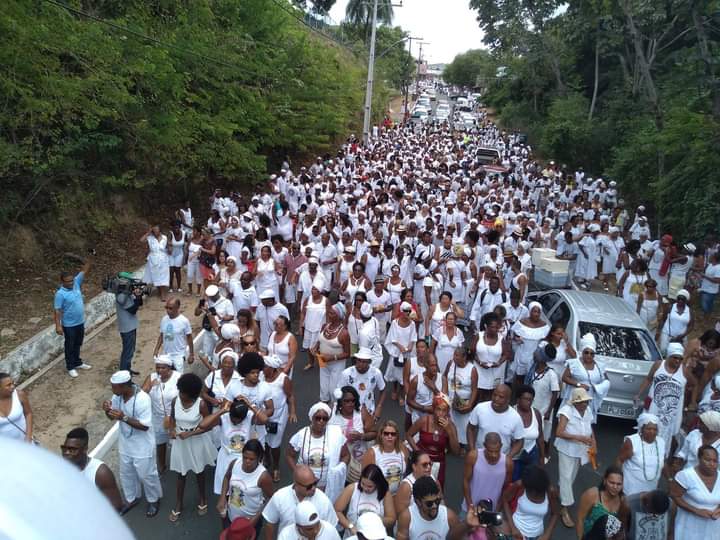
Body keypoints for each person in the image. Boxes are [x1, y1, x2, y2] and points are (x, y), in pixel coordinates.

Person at [102, 370, 162, 517]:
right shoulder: (117, 397)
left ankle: (154, 499)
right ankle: (132, 498)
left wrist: (124, 418)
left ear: (124, 386)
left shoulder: (142, 399)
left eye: (114, 387)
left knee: (146, 475)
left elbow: (145, 426)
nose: (112, 390)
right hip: (126, 444)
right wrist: (107, 411)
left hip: (142, 446)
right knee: (126, 474)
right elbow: (112, 418)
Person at [167, 373, 217, 522]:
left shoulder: (201, 404)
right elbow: (172, 418)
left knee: (199, 472)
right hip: (180, 443)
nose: (181, 395)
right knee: (180, 474)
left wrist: (190, 434)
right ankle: (179, 503)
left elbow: (210, 425)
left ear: (193, 394)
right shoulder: (175, 400)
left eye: (184, 393)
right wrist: (171, 430)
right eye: (181, 391)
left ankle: (202, 499)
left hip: (196, 442)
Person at [634, 342, 693, 457]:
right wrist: (638, 394)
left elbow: (694, 384)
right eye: (675, 357)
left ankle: (659, 458)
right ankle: (641, 454)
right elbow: (648, 379)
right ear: (668, 356)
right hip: (653, 407)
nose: (677, 361)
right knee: (648, 428)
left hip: (671, 412)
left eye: (680, 359)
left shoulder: (684, 370)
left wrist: (691, 401)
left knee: (665, 434)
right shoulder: (658, 365)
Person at [287, 402, 350, 498]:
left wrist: (339, 469)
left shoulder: (336, 435)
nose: (321, 421)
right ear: (312, 418)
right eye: (317, 418)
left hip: (327, 485)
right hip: (305, 485)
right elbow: (289, 455)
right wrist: (297, 472)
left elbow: (346, 455)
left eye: (325, 419)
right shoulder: (301, 435)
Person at [555, 387, 596, 528]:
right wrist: (578, 437)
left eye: (586, 401)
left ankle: (560, 495)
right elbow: (559, 432)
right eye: (582, 402)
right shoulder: (566, 411)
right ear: (575, 402)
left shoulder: (588, 411)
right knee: (566, 477)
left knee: (570, 477)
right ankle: (564, 509)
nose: (585, 404)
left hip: (580, 450)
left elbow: (591, 429)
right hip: (566, 449)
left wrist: (593, 445)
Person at [262, 465, 339, 540]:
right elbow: (270, 524)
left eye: (315, 483)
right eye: (309, 486)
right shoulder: (280, 497)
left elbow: (331, 528)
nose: (313, 488)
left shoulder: (323, 500)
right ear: (296, 484)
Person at [396, 476, 479, 540]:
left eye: (437, 501)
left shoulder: (449, 516)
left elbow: (455, 538)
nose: (434, 506)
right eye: (429, 503)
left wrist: (466, 525)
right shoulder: (406, 517)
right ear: (418, 502)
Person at [61, 427, 123, 511]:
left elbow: (116, 506)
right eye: (64, 448)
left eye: (72, 450)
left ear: (85, 449)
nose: (66, 453)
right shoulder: (64, 467)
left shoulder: (101, 474)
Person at [217, 439, 274, 530]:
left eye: (251, 459)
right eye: (245, 457)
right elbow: (227, 477)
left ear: (259, 458)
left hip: (250, 520)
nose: (247, 461)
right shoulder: (235, 463)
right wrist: (222, 497)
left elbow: (271, 498)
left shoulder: (263, 476)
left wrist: (256, 518)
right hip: (231, 516)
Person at [406, 393, 460, 488]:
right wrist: (417, 451)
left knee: (435, 489)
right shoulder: (424, 420)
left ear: (448, 412)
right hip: (421, 460)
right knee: (416, 487)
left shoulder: (450, 426)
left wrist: (449, 432)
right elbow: (409, 435)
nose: (441, 413)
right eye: (438, 409)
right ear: (433, 409)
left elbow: (456, 451)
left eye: (444, 410)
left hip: (439, 463)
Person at [53, 254, 93, 378]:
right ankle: (70, 366)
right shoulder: (60, 294)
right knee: (69, 345)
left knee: (78, 343)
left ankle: (77, 362)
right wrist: (58, 326)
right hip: (69, 324)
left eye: (71, 280)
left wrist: (90, 256)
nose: (71, 283)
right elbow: (57, 311)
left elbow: (85, 269)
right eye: (67, 281)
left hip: (80, 321)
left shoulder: (76, 282)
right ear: (62, 282)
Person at [141, 355, 180, 473]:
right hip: (157, 418)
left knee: (177, 442)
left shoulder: (178, 378)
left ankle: (179, 465)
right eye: (157, 367)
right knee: (160, 443)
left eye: (163, 368)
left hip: (174, 417)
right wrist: (150, 386)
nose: (159, 370)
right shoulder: (152, 377)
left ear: (169, 368)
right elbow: (141, 395)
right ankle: (162, 465)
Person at [670, 445, 720, 537]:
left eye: (715, 461)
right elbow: (675, 496)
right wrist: (696, 511)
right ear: (699, 459)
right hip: (690, 524)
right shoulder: (686, 475)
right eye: (708, 460)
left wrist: (718, 510)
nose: (712, 464)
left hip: (713, 526)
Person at [329, 386, 376, 484]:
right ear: (340, 402)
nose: (350, 404)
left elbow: (375, 433)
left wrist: (361, 436)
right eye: (346, 401)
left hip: (358, 459)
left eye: (353, 401)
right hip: (338, 459)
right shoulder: (331, 412)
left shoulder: (361, 412)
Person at [262, 354, 298, 482]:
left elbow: (290, 396)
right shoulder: (261, 377)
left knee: (274, 445)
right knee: (264, 440)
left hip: (279, 416)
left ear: (273, 368)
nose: (262, 368)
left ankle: (276, 467)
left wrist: (292, 411)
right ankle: (266, 458)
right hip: (263, 414)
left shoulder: (283, 379)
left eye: (265, 366)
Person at [334, 464, 396, 536]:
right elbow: (336, 511)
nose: (365, 488)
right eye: (363, 484)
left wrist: (374, 520)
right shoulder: (352, 488)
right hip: (353, 535)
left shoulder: (385, 493)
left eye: (370, 486)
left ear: (378, 484)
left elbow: (391, 519)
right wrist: (350, 526)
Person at [500, 465, 560, 540]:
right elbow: (505, 499)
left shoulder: (550, 491)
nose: (532, 493)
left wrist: (547, 534)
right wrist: (513, 528)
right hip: (516, 532)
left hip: (537, 535)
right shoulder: (520, 485)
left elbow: (555, 513)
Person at [562, 333, 610, 422]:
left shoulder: (600, 366)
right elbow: (564, 378)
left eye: (592, 353)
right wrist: (578, 384)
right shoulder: (574, 363)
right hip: (575, 397)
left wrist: (598, 388)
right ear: (582, 352)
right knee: (571, 421)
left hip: (589, 399)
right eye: (586, 352)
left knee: (586, 422)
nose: (589, 355)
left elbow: (606, 380)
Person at [462, 432, 513, 516]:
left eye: (497, 451)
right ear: (484, 445)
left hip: (493, 510)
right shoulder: (473, 456)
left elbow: (506, 488)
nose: (494, 455)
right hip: (470, 508)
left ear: (501, 446)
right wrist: (470, 506)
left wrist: (497, 509)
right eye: (490, 451)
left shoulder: (508, 463)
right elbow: (465, 481)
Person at [466, 384, 524, 457]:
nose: (496, 399)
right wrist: (472, 450)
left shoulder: (516, 417)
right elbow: (470, 428)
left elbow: (520, 441)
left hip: (502, 459)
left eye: (501, 397)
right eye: (494, 395)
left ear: (508, 399)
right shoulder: (480, 408)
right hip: (479, 456)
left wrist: (508, 457)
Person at [616, 413, 666, 496]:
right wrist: (617, 481)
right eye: (648, 429)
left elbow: (664, 462)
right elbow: (620, 460)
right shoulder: (632, 441)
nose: (652, 432)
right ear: (641, 429)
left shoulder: (661, 442)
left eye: (655, 429)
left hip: (650, 490)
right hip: (630, 489)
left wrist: (670, 479)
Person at [576, 466, 630, 539]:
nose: (615, 487)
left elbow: (623, 527)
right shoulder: (592, 494)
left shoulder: (623, 501)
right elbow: (580, 519)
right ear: (605, 481)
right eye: (612, 482)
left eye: (619, 484)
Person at [313, 303, 351, 401]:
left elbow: (347, 354)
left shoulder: (344, 333)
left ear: (339, 316)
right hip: (323, 363)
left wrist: (332, 357)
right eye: (329, 312)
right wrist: (316, 347)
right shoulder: (325, 326)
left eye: (332, 313)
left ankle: (334, 410)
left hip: (337, 365)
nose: (329, 315)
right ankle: (324, 410)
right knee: (323, 389)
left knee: (334, 390)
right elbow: (320, 340)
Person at [361, 419, 408, 496]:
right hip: (378, 496)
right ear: (381, 435)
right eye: (386, 433)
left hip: (397, 495)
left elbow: (404, 474)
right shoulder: (372, 453)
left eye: (393, 434)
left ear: (396, 436)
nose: (390, 436)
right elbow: (365, 479)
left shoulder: (403, 449)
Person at [443, 348, 478, 449]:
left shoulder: (472, 369)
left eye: (457, 355)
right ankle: (449, 444)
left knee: (462, 426)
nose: (454, 357)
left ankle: (460, 445)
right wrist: (444, 394)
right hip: (449, 400)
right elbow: (444, 377)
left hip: (463, 402)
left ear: (464, 357)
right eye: (454, 355)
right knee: (449, 422)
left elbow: (475, 389)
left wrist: (470, 404)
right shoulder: (450, 364)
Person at [385, 302, 418, 406]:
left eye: (409, 311)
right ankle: (394, 390)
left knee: (405, 375)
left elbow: (413, 337)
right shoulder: (395, 323)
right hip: (397, 351)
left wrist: (410, 347)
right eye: (406, 311)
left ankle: (401, 394)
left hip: (407, 353)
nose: (408, 313)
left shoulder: (412, 324)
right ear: (401, 311)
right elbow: (392, 338)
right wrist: (400, 347)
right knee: (395, 374)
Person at [510, 302, 550, 387]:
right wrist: (516, 338)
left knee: (531, 378)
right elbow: (513, 334)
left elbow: (546, 340)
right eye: (534, 311)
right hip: (521, 353)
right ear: (530, 311)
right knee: (519, 377)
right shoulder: (522, 322)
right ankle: (517, 396)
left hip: (535, 356)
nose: (536, 314)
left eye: (538, 312)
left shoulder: (545, 326)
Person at [340, 348, 387, 419]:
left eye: (364, 362)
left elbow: (383, 389)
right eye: (359, 360)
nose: (360, 364)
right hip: (350, 410)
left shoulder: (376, 373)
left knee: (367, 429)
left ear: (369, 362)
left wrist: (379, 407)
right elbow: (340, 392)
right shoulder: (346, 373)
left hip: (369, 409)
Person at [472, 313, 509, 402]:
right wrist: (479, 362)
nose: (495, 329)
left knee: (492, 395)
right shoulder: (478, 336)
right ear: (486, 326)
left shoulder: (501, 339)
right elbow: (472, 352)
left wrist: (499, 363)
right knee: (477, 394)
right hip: (479, 371)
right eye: (492, 327)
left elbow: (506, 354)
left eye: (497, 327)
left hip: (495, 372)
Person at [394, 451, 442, 515]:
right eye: (424, 465)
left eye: (430, 464)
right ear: (414, 466)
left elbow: (441, 501)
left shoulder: (433, 479)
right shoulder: (406, 486)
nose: (429, 467)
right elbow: (400, 514)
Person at [513, 385, 546, 480]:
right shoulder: (511, 413)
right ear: (518, 400)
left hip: (532, 453)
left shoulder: (536, 413)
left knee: (530, 481)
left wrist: (542, 458)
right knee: (514, 481)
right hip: (514, 455)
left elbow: (540, 437)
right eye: (526, 399)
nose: (529, 402)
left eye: (531, 400)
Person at [153, 297, 195, 373]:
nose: (168, 310)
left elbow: (189, 337)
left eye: (170, 308)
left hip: (178, 355)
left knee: (178, 377)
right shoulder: (164, 319)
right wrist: (156, 349)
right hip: (166, 354)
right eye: (166, 307)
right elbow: (162, 335)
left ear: (177, 308)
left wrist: (191, 354)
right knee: (164, 375)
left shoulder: (184, 321)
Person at [115, 283, 143, 374]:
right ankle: (124, 373)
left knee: (131, 349)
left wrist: (139, 296)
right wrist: (137, 297)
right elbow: (133, 310)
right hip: (127, 328)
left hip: (130, 326)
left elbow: (139, 303)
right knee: (128, 351)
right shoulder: (122, 296)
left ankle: (127, 369)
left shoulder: (126, 293)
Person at [406, 356, 443, 424]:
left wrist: (434, 389)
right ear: (426, 365)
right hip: (418, 420)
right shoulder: (416, 380)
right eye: (432, 365)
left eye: (435, 365)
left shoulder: (443, 379)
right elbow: (409, 400)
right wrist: (424, 408)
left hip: (436, 420)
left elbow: (445, 402)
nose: (435, 368)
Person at [657, 289, 693, 354]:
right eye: (679, 299)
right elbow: (663, 319)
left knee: (679, 353)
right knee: (663, 350)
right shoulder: (670, 307)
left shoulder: (689, 311)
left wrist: (683, 335)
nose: (680, 301)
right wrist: (658, 331)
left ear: (686, 301)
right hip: (667, 334)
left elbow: (691, 326)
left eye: (682, 299)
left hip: (681, 338)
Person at [0, 372, 33, 442]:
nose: (13, 386)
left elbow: (28, 413)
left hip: (26, 443)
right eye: (8, 385)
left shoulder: (19, 395)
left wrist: (28, 436)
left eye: (12, 383)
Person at [141, 226, 170, 300]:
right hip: (153, 259)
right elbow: (141, 240)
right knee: (156, 276)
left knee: (163, 276)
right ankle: (159, 291)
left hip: (163, 259)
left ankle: (163, 294)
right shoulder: (150, 238)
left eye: (156, 230)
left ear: (160, 231)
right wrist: (148, 233)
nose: (155, 232)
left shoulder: (164, 237)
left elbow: (167, 247)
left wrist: (170, 249)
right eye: (153, 230)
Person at [431, 311, 464, 375]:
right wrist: (434, 363)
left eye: (452, 319)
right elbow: (431, 348)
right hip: (439, 361)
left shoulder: (459, 332)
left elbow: (461, 350)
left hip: (453, 363)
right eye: (448, 319)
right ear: (445, 320)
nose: (450, 321)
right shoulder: (439, 330)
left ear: (455, 321)